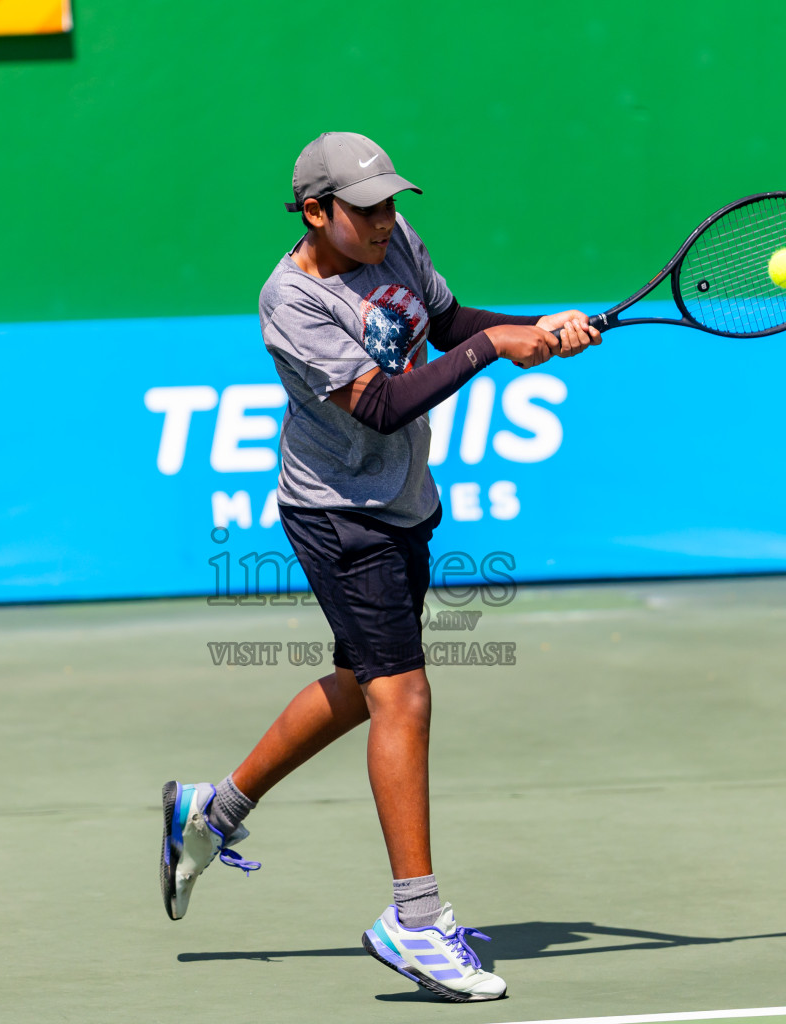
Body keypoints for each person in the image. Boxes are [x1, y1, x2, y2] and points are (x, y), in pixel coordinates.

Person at [160, 131, 600, 1002]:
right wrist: (491, 352)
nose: (384, 221)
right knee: (403, 692)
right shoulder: (288, 301)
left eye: (390, 203)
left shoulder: (392, 238)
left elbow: (444, 323)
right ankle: (416, 917)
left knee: (362, 683)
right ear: (314, 212)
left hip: (404, 502)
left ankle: (211, 811)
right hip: (337, 514)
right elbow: (389, 403)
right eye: (363, 210)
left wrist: (529, 327)